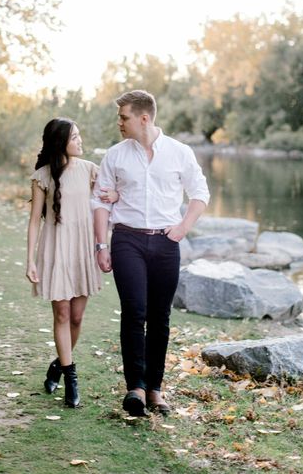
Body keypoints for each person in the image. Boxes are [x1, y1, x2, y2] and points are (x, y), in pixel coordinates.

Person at [92, 90, 210, 416]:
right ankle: (135, 389)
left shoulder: (179, 153)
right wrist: (101, 245)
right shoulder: (115, 155)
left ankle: (155, 389)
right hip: (127, 240)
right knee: (134, 311)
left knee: (160, 318)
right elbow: (100, 202)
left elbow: (200, 193)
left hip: (165, 243)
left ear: (144, 118)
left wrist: (183, 227)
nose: (119, 122)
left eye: (124, 117)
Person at [26, 117, 117, 408]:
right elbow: (34, 222)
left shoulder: (91, 170)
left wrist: (115, 195)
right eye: (75, 137)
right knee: (62, 315)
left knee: (77, 317)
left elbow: (110, 199)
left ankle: (57, 365)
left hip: (82, 250)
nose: (80, 141)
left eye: (80, 136)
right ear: (60, 141)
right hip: (55, 250)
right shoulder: (42, 176)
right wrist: (30, 260)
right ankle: (71, 379)